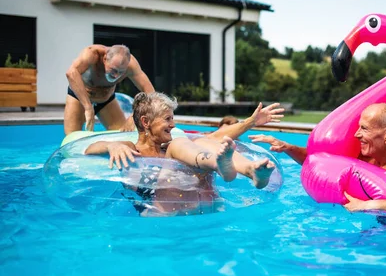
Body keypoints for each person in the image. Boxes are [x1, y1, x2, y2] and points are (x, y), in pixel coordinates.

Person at [84, 92, 285, 215]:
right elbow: (89, 149)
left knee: (203, 140)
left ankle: (250, 171)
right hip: (159, 213)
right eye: (167, 119)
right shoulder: (132, 147)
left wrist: (250, 122)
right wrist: (112, 146)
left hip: (206, 209)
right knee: (181, 143)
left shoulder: (174, 145)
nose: (173, 124)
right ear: (146, 122)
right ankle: (219, 164)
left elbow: (216, 137)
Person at [249, 103, 386, 216]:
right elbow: (324, 165)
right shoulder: (369, 158)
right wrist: (288, 148)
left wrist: (366, 205)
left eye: (364, 129)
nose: (357, 134)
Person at [65, 44, 155, 135]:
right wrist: (88, 107)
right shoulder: (92, 54)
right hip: (79, 98)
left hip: (106, 100)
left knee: (124, 135)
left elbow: (150, 92)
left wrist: (134, 117)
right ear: (104, 59)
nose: (116, 75)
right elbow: (71, 73)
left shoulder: (131, 64)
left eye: (121, 72)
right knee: (72, 138)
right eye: (114, 70)